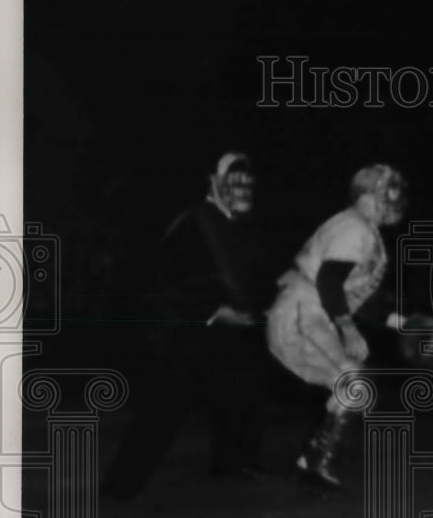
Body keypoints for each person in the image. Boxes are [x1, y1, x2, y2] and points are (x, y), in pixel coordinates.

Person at [102, 152, 268, 500]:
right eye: (233, 182)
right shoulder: (195, 223)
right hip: (181, 330)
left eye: (247, 183)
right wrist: (214, 311)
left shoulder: (241, 225)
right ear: (215, 182)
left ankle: (231, 465)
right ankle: (120, 486)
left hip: (224, 333)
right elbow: (164, 281)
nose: (241, 190)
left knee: (241, 389)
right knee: (166, 407)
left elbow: (248, 276)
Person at [266, 163, 411, 489]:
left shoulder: (361, 228)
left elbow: (352, 297)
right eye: (389, 190)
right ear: (367, 195)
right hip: (301, 312)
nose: (396, 197)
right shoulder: (355, 228)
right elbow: (329, 282)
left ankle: (310, 464)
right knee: (355, 382)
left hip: (309, 310)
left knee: (355, 384)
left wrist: (401, 322)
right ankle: (316, 465)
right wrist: (348, 330)